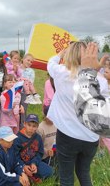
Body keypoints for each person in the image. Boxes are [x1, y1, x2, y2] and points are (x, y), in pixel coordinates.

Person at [47, 41, 109, 186]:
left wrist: (60, 54)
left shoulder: (61, 73)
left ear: (70, 55)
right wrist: (95, 70)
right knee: (84, 172)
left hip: (67, 135)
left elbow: (51, 63)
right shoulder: (100, 80)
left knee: (66, 176)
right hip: (90, 137)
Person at [14, 114, 53, 184]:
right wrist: (23, 166)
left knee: (50, 171)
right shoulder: (17, 138)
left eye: (34, 126)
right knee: (19, 181)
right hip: (21, 164)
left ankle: (32, 175)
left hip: (32, 163)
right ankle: (28, 176)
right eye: (29, 125)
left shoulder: (38, 138)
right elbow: (14, 156)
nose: (31, 128)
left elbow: (39, 153)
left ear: (37, 127)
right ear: (24, 124)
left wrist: (34, 163)